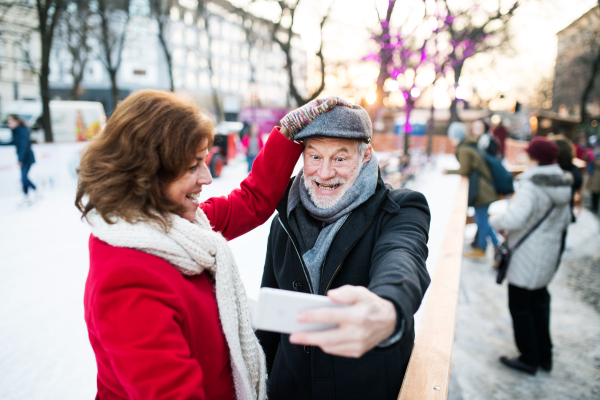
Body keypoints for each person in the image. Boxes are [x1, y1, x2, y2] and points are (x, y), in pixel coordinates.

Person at [75, 90, 350, 399]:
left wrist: (287, 131)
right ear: (146, 173)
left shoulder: (181, 228)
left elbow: (250, 202)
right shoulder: (127, 280)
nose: (207, 178)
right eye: (193, 166)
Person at [256, 104, 431, 400]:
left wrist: (388, 305)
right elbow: (271, 311)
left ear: (365, 155)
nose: (324, 173)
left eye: (340, 157)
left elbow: (403, 256)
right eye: (314, 156)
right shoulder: (284, 217)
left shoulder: (399, 208)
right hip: (291, 387)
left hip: (366, 388)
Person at [489, 137, 572, 375]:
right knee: (539, 302)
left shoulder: (532, 184)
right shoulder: (562, 182)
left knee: (521, 305)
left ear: (535, 157)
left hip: (527, 254)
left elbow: (514, 219)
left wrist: (495, 220)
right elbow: (566, 220)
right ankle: (544, 355)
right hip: (547, 253)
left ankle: (528, 358)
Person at [446, 121, 499, 258]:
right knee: (482, 219)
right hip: (484, 188)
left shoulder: (464, 149)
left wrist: (448, 172)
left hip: (482, 190)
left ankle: (484, 248)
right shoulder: (469, 145)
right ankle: (494, 245)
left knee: (482, 220)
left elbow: (464, 170)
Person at [2, 114, 38, 205]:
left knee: (24, 177)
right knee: (24, 178)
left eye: (10, 121)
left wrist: (20, 160)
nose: (9, 124)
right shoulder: (16, 131)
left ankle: (32, 193)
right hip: (24, 157)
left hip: (27, 157)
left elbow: (23, 146)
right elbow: (12, 142)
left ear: (16, 121)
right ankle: (30, 194)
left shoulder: (21, 131)